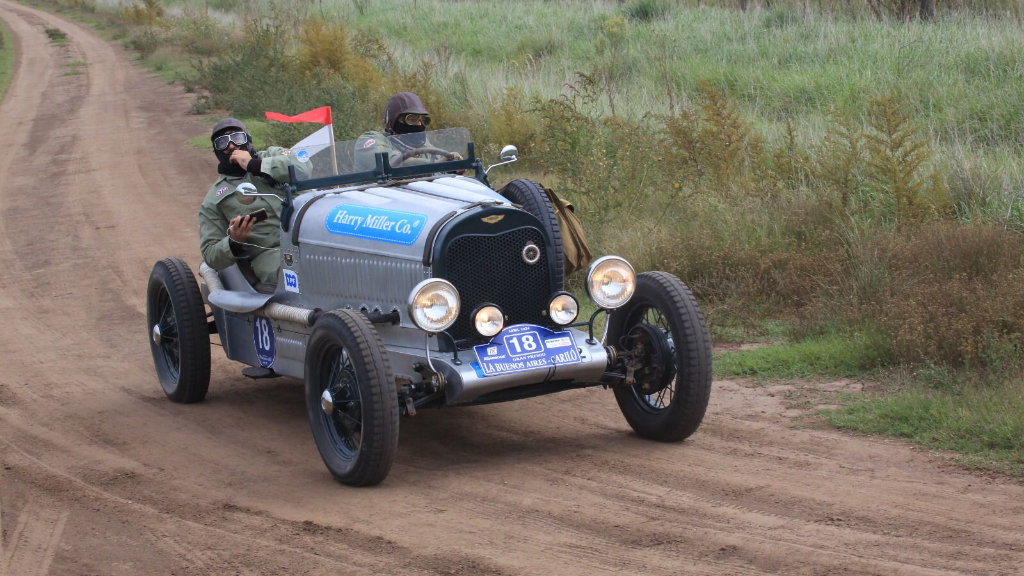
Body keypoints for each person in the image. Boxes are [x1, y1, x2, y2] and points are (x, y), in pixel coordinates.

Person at [198, 118, 310, 286]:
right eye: (222, 142)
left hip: (311, 234)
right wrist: (234, 241)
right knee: (303, 268)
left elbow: (304, 166)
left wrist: (255, 165)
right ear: (216, 151)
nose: (231, 146)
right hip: (270, 252)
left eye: (236, 138)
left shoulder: (272, 155)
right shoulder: (213, 200)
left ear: (248, 140)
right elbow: (210, 254)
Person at [353, 92, 460, 171]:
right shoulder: (370, 140)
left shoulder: (424, 145)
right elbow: (390, 165)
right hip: (373, 199)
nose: (419, 124)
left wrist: (453, 165)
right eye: (411, 119)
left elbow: (440, 162)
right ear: (393, 120)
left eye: (423, 120)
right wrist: (436, 165)